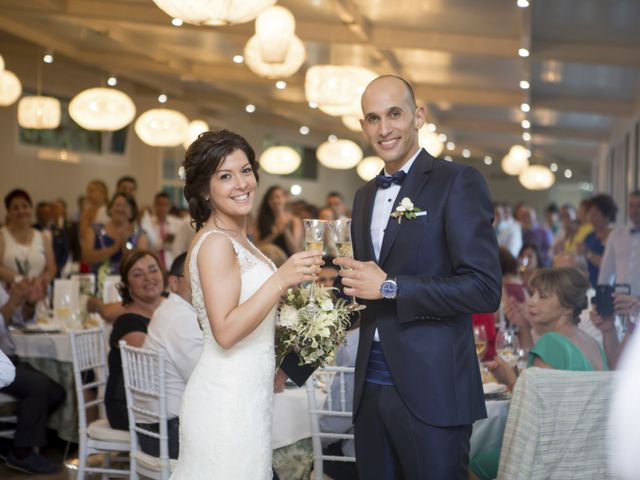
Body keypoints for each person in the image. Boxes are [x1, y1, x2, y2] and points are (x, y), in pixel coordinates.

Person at [333, 76, 501, 479]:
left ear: (418, 117)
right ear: (362, 127)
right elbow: (359, 288)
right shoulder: (363, 196)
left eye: (395, 114)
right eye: (373, 118)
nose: (384, 128)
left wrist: (390, 286)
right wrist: (292, 361)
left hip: (434, 390)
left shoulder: (457, 181)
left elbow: (484, 289)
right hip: (369, 391)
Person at [170, 130, 322, 479]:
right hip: (225, 404)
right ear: (205, 190)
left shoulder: (239, 239)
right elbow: (223, 331)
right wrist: (281, 279)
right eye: (225, 176)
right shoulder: (216, 243)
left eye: (246, 171)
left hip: (248, 397)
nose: (241, 183)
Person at [469, 267, 608, 480]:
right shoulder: (593, 344)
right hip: (587, 455)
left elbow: (534, 417)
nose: (531, 302)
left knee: (469, 463)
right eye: (532, 293)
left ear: (567, 307)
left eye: (542, 297)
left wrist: (509, 380)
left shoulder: (550, 343)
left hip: (548, 458)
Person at [140, 253, 201, 459]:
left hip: (155, 427)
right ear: (174, 283)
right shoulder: (181, 318)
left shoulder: (172, 309)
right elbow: (203, 380)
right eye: (194, 278)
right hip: (167, 434)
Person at [0, 281, 65, 474]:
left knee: (57, 392)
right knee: (37, 387)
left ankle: (12, 441)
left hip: (9, 357)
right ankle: (21, 453)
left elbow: (18, 320)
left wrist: (28, 304)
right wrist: (11, 303)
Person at [105, 250, 165, 430]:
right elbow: (157, 367)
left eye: (153, 270)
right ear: (128, 286)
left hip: (158, 398)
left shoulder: (171, 304)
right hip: (130, 405)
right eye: (138, 274)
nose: (148, 278)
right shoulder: (128, 323)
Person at [0, 190, 56, 299]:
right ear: (9, 212)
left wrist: (39, 282)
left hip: (37, 297)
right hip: (7, 298)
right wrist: (19, 280)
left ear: (31, 209)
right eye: (15, 208)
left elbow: (51, 269)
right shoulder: (2, 236)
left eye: (25, 206)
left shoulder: (43, 237)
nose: (21, 211)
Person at [81, 192, 149, 276]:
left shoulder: (140, 234)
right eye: (117, 205)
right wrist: (113, 248)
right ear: (110, 209)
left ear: (132, 212)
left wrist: (125, 248)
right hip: (98, 283)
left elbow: (141, 263)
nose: (120, 209)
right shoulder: (94, 230)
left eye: (125, 206)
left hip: (129, 284)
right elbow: (87, 258)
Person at [598, 190, 640, 295]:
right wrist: (601, 296)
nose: (635, 210)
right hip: (620, 298)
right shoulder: (616, 235)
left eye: (639, 206)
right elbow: (606, 270)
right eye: (631, 206)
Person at [255, 186, 304, 257]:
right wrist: (274, 234)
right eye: (271, 198)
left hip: (289, 261)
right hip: (266, 260)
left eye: (278, 197)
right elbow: (256, 247)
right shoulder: (262, 219)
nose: (275, 201)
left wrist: (286, 231)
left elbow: (295, 250)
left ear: (285, 198)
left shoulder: (294, 220)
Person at [581, 193, 616, 288]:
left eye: (595, 214)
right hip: (591, 286)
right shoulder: (589, 236)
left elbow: (611, 266)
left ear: (606, 215)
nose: (591, 218)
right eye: (590, 214)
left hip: (609, 288)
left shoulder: (614, 236)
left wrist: (588, 253)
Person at [147, 192, 180, 271]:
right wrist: (163, 243)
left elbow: (177, 245)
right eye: (159, 204)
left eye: (165, 204)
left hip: (172, 264)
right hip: (153, 264)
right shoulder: (148, 224)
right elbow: (151, 245)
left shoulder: (177, 223)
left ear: (169, 206)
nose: (162, 207)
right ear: (154, 205)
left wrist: (161, 244)